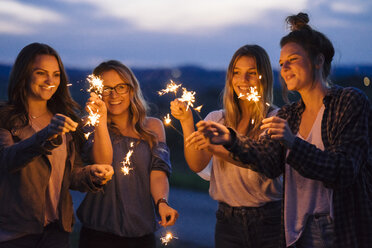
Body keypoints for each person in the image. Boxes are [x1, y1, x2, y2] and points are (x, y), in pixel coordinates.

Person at [194, 13, 372, 248]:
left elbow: (343, 170)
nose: (285, 68)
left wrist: (292, 142)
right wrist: (231, 139)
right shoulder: (290, 114)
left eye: (293, 59)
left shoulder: (349, 101)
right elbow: (268, 162)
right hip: (294, 229)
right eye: (281, 63)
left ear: (318, 60)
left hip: (337, 227)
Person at [0, 42, 114, 248]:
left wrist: (91, 173)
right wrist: (46, 134)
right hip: (14, 233)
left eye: (56, 74)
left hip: (57, 233)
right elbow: (6, 160)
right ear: (24, 75)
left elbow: (70, 175)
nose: (50, 81)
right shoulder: (5, 118)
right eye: (41, 73)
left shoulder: (66, 119)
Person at [170, 44, 282, 248]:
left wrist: (216, 146)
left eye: (252, 73)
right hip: (227, 221)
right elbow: (197, 165)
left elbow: (260, 162)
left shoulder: (275, 119)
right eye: (236, 73)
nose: (243, 80)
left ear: (264, 77)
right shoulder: (216, 119)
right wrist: (186, 121)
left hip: (270, 221)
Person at [77, 60, 178, 248]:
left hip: (141, 235)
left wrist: (162, 202)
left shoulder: (153, 127)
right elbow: (103, 163)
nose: (114, 94)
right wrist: (100, 120)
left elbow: (158, 172)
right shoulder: (88, 126)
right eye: (106, 89)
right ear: (97, 92)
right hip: (97, 234)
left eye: (120, 87)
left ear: (131, 90)